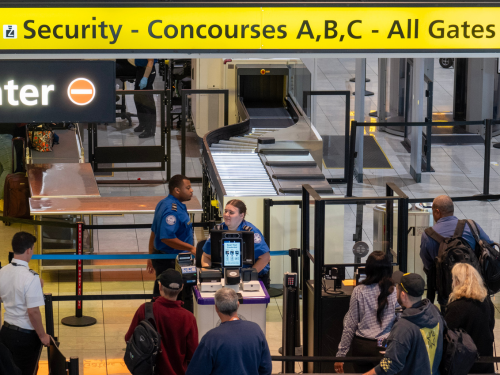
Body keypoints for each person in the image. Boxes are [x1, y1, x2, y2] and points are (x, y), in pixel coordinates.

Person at [363, 272, 444, 375]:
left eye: (397, 288)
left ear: (403, 295)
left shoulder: (403, 327)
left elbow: (390, 366)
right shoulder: (435, 312)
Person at [420, 195, 493, 306]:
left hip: (447, 292)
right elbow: (489, 247)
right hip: (475, 288)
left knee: (449, 318)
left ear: (437, 212)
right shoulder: (471, 225)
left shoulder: (428, 235)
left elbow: (428, 264)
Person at [334, 251, 400, 374]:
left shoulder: (359, 291)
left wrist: (341, 355)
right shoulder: (394, 292)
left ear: (368, 268)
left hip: (361, 347)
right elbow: (400, 322)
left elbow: (350, 324)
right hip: (385, 348)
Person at [125, 269, 198, 375]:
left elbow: (129, 338)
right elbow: (193, 353)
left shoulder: (144, 309)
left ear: (160, 287)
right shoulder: (188, 317)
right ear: (181, 287)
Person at [185, 287, 272, 375]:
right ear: (238, 305)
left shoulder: (210, 339)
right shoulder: (256, 330)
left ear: (216, 308)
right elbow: (266, 368)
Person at [0, 232, 51, 375]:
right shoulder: (31, 278)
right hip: (25, 337)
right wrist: (42, 336)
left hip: (5, 332)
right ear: (29, 250)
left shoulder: (3, 271)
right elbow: (33, 311)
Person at [148, 174, 195, 311]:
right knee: (169, 295)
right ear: (177, 190)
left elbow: (154, 232)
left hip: (163, 256)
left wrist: (151, 255)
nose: (191, 190)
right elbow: (166, 237)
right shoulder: (171, 210)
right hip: (170, 260)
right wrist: (191, 248)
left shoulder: (165, 203)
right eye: (188, 187)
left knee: (162, 293)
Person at [201, 200, 271, 289]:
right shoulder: (217, 231)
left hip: (252, 278)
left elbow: (266, 257)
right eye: (226, 211)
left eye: (231, 213)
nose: (226, 215)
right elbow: (206, 256)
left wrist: (247, 277)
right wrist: (209, 275)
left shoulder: (251, 232)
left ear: (241, 215)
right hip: (224, 277)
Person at [445, 263, 494, 374]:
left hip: (465, 365)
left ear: (457, 281)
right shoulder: (487, 303)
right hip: (486, 363)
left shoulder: (456, 307)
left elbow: (447, 338)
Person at [115, 58, 157, 138]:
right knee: (138, 99)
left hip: (147, 71)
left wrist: (145, 78)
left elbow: (150, 62)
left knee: (147, 102)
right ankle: (143, 124)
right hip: (140, 69)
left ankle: (150, 130)